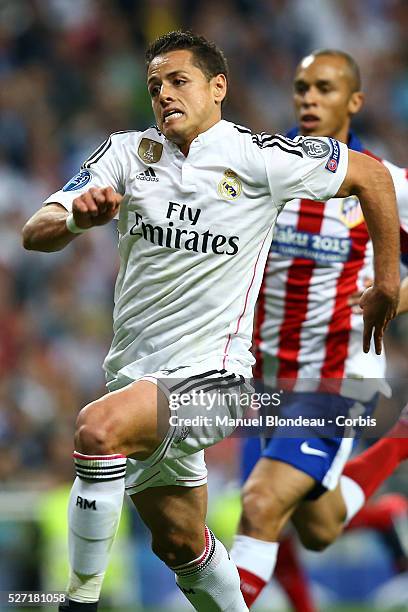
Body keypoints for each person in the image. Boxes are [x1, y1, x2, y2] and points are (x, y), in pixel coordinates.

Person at [22, 33, 400, 612]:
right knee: (182, 546)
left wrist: (389, 283)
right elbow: (37, 230)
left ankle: (77, 602)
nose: (164, 94)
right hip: (139, 384)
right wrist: (75, 220)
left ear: (217, 88)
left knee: (98, 431)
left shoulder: (259, 158)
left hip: (219, 385)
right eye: (154, 86)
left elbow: (372, 178)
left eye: (179, 81)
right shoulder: (126, 154)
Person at [230, 49, 408, 609]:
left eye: (325, 88)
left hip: (340, 374)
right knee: (317, 526)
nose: (310, 97)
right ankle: (401, 442)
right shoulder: (257, 170)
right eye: (302, 86)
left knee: (259, 505)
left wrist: (390, 298)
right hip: (266, 381)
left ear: (353, 101)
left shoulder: (386, 184)